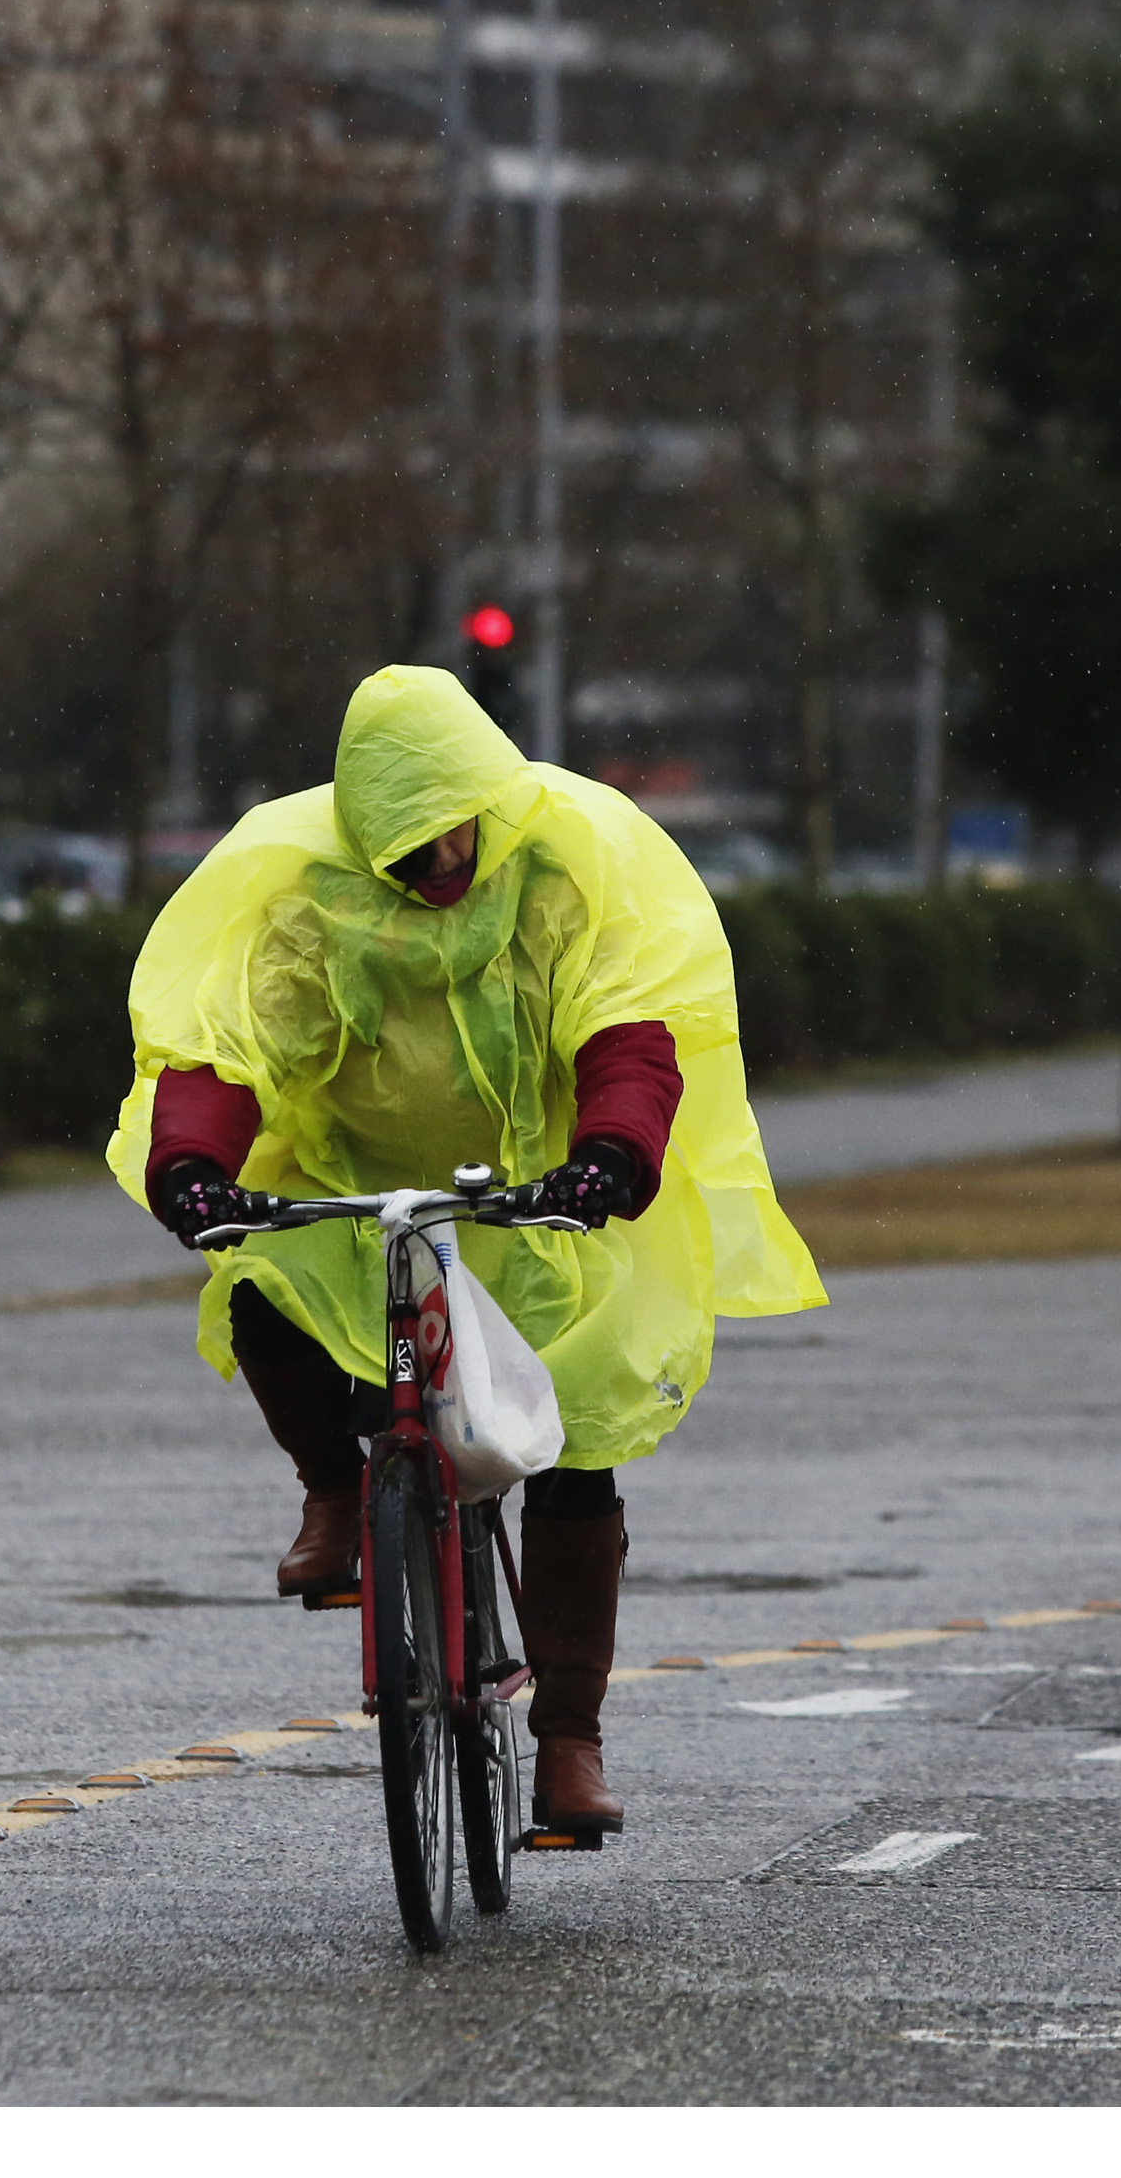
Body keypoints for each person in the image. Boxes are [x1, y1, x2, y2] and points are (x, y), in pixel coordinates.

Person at [109, 666, 824, 1835]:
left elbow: (627, 1032)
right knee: (257, 1280)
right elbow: (226, 1047)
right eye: (406, 856)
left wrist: (607, 1158)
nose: (436, 871)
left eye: (452, 843)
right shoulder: (307, 899)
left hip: (536, 1197)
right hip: (350, 1184)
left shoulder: (565, 877)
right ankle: (336, 1495)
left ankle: (569, 1744)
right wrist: (191, 1164)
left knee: (574, 1450)